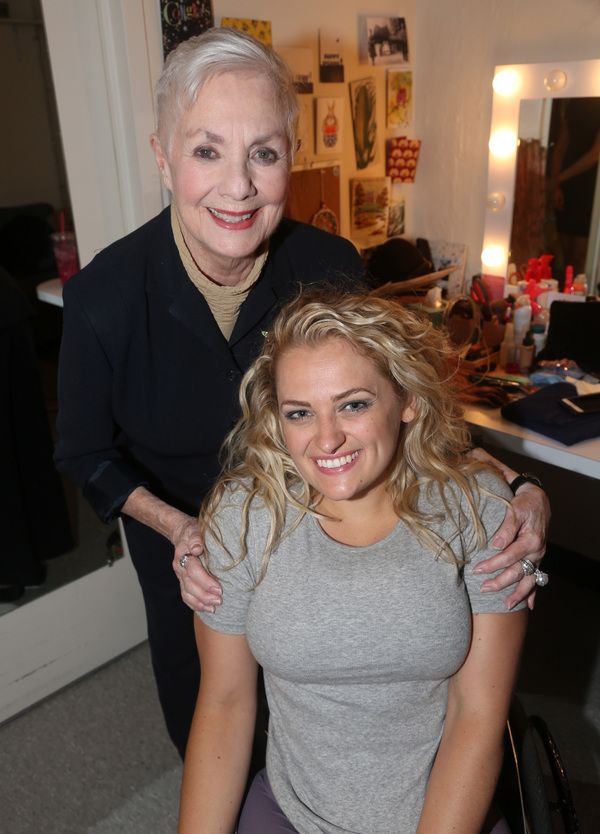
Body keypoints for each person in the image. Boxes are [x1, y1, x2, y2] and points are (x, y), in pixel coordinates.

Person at [55, 28, 548, 760]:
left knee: (349, 737)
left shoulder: (329, 264)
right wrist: (177, 529)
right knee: (215, 736)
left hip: (322, 540)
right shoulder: (102, 296)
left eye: (264, 152)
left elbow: (392, 410)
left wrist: (521, 483)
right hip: (195, 559)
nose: (239, 186)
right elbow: (85, 453)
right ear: (161, 156)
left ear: (291, 156)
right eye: (206, 150)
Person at [178, 290, 532, 834]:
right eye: (300, 413)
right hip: (291, 814)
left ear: (407, 399)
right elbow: (224, 703)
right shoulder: (245, 515)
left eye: (354, 404)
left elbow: (477, 715)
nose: (327, 439)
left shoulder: (478, 510)